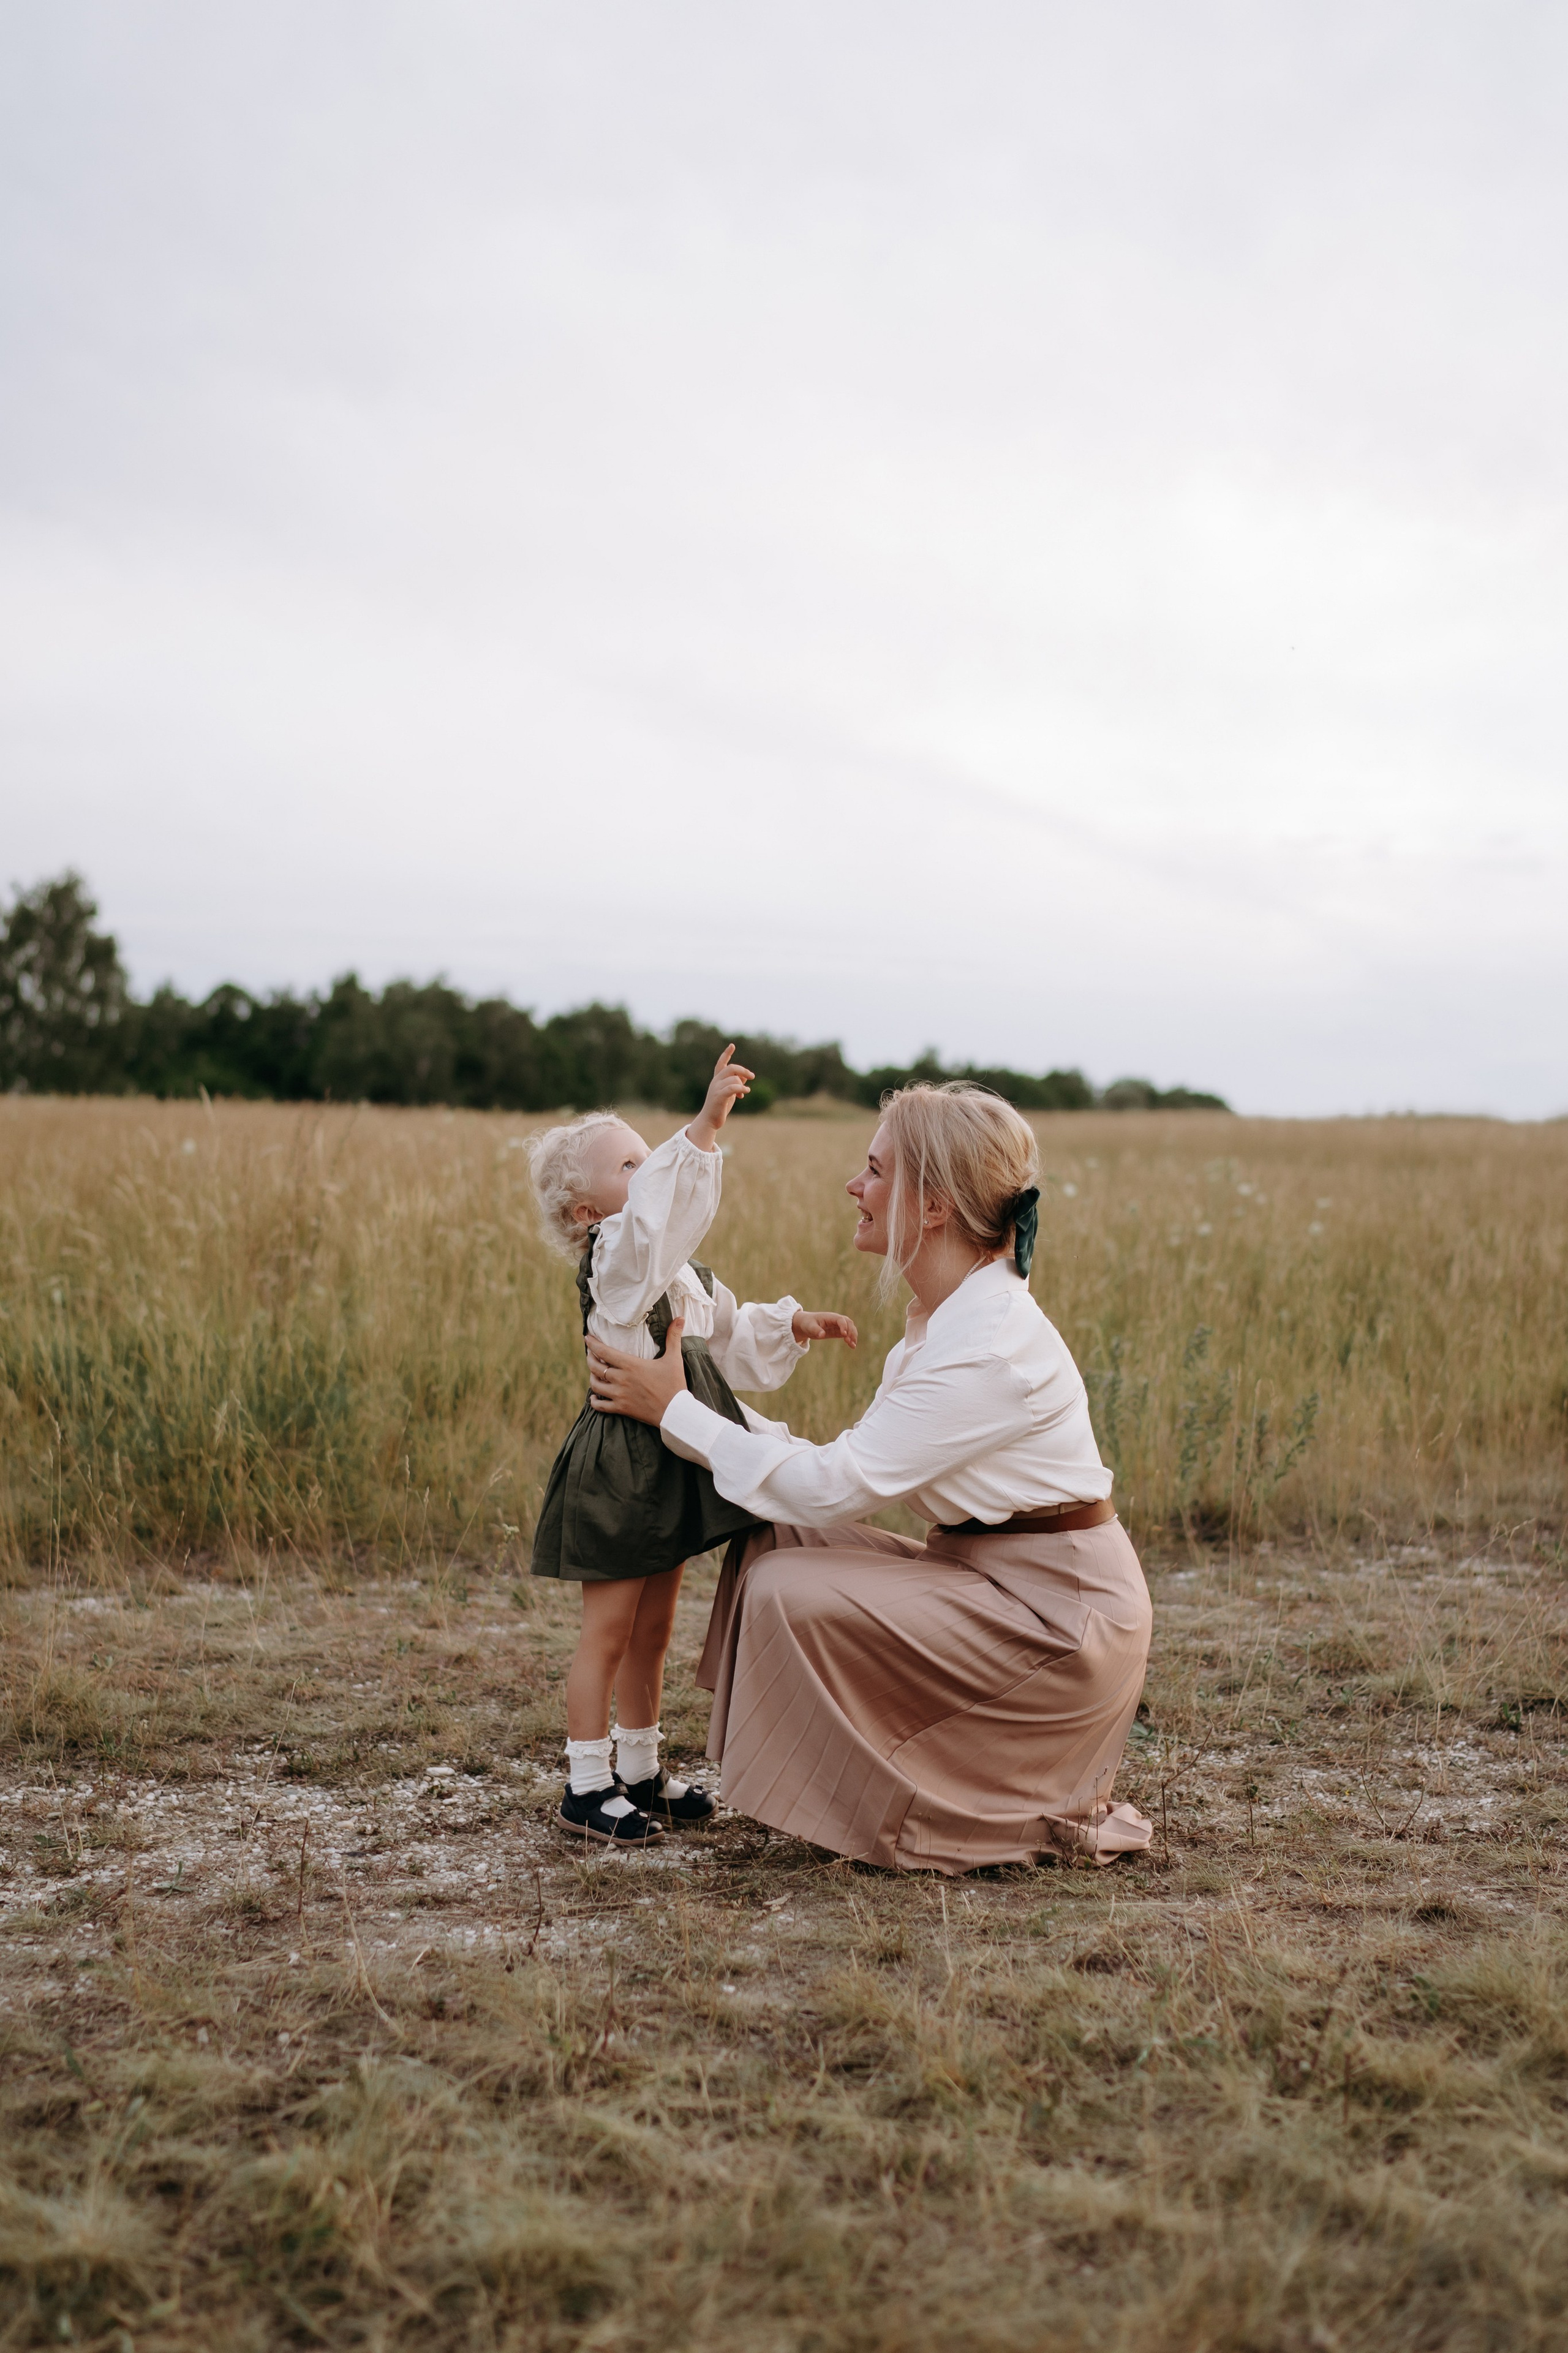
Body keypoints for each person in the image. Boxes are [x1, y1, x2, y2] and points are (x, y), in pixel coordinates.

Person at [584, 1082, 1153, 1875]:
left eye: (876, 1170)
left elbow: (831, 1485)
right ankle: (845, 1776)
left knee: (788, 1584)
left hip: (1057, 1627)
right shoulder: (949, 1315)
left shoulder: (985, 1345)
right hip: (991, 1578)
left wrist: (676, 1411)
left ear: (932, 1206)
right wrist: (685, 1406)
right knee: (769, 1533)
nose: (856, 1186)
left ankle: (930, 1796)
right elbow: (821, 1479)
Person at [527, 1046, 859, 1846]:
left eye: (650, 1156)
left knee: (654, 1628)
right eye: (630, 1163)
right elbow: (651, 1224)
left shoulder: (674, 1269)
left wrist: (791, 1323)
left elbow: (726, 1334)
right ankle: (585, 1781)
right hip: (621, 1467)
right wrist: (702, 1132)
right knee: (608, 1629)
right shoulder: (616, 1264)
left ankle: (640, 1767)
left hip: (674, 1460)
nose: (649, 1170)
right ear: (585, 1215)